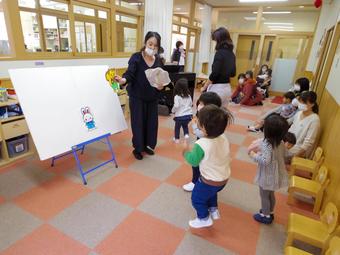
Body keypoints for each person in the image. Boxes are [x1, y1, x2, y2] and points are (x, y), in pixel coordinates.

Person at [115, 31, 163, 160]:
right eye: (150, 44)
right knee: (138, 123)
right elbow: (129, 74)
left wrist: (161, 86)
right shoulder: (136, 57)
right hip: (137, 96)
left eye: (155, 46)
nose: (152, 48)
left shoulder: (158, 60)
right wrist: (123, 80)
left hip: (152, 97)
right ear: (145, 43)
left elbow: (160, 78)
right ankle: (138, 148)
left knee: (151, 123)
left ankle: (148, 145)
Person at [183, 105, 233, 228]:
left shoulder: (201, 144)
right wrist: (195, 125)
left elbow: (193, 161)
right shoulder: (223, 137)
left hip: (208, 181)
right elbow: (203, 133)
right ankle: (213, 209)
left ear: (204, 127)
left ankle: (203, 218)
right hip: (223, 179)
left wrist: (185, 151)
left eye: (199, 120)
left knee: (197, 199)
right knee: (211, 193)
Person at [248, 114, 289, 224]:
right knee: (270, 194)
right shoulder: (280, 142)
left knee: (264, 195)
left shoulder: (267, 144)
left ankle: (265, 216)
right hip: (275, 174)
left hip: (267, 175)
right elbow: (282, 154)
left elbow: (265, 161)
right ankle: (270, 211)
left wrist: (253, 155)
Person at [183, 92, 222, 192]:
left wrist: (194, 126)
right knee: (202, 162)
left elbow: (202, 134)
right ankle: (198, 180)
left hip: (204, 142)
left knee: (196, 162)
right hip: (205, 142)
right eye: (199, 103)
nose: (199, 106)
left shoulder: (211, 119)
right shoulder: (206, 115)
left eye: (202, 104)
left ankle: (195, 181)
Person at [200, 27, 236, 106]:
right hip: (227, 89)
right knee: (221, 114)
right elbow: (233, 73)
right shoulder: (231, 54)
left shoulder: (219, 53)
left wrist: (205, 86)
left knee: (211, 114)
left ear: (219, 41)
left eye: (216, 41)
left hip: (217, 90)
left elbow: (215, 74)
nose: (215, 43)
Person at [288, 91, 320, 159]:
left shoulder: (314, 119)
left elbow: (308, 143)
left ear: (312, 104)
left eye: (304, 103)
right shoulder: (299, 113)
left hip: (300, 150)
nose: (301, 104)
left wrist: (295, 157)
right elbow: (291, 128)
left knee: (277, 154)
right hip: (290, 144)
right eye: (300, 102)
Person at [172, 78, 193, 143]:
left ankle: (177, 139)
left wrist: (173, 111)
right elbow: (191, 104)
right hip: (189, 115)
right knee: (185, 125)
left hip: (180, 116)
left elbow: (176, 106)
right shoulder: (189, 96)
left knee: (177, 127)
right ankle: (186, 134)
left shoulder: (177, 97)